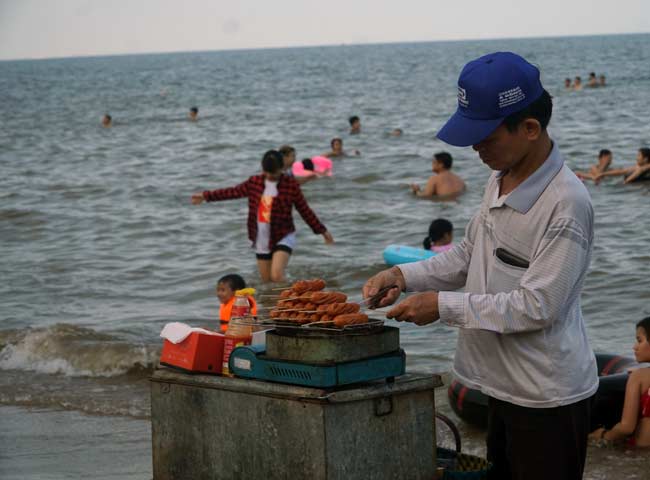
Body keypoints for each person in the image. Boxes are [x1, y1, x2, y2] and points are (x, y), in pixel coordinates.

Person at [363, 52, 597, 480]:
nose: (474, 148)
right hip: (501, 387)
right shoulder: (501, 175)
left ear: (529, 129)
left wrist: (443, 307)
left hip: (546, 397)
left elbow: (537, 305)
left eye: (485, 137)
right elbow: (469, 254)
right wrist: (403, 276)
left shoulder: (565, 204)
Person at [191, 150, 334, 282]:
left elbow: (304, 210)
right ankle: (273, 307)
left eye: (275, 174)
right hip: (261, 237)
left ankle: (293, 303)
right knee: (267, 282)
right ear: (263, 169)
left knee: (277, 276)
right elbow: (232, 192)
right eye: (268, 173)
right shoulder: (254, 182)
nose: (271, 177)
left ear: (282, 168)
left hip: (283, 234)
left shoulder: (290, 184)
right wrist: (205, 196)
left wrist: (322, 231)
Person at [588, 317, 650, 447]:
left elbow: (627, 427)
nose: (635, 347)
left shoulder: (639, 377)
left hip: (639, 453)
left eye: (639, 341)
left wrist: (604, 435)